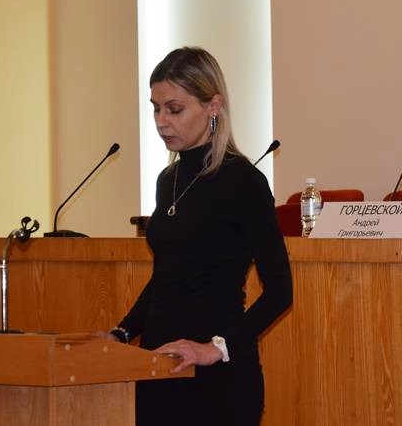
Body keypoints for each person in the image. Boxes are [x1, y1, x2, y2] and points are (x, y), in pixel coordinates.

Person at [106, 47, 292, 425]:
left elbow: (280, 291)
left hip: (219, 379)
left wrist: (215, 348)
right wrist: (122, 333)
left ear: (213, 106)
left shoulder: (244, 181)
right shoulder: (167, 180)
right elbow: (166, 279)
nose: (161, 121)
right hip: (159, 367)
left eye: (174, 109)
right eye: (156, 108)